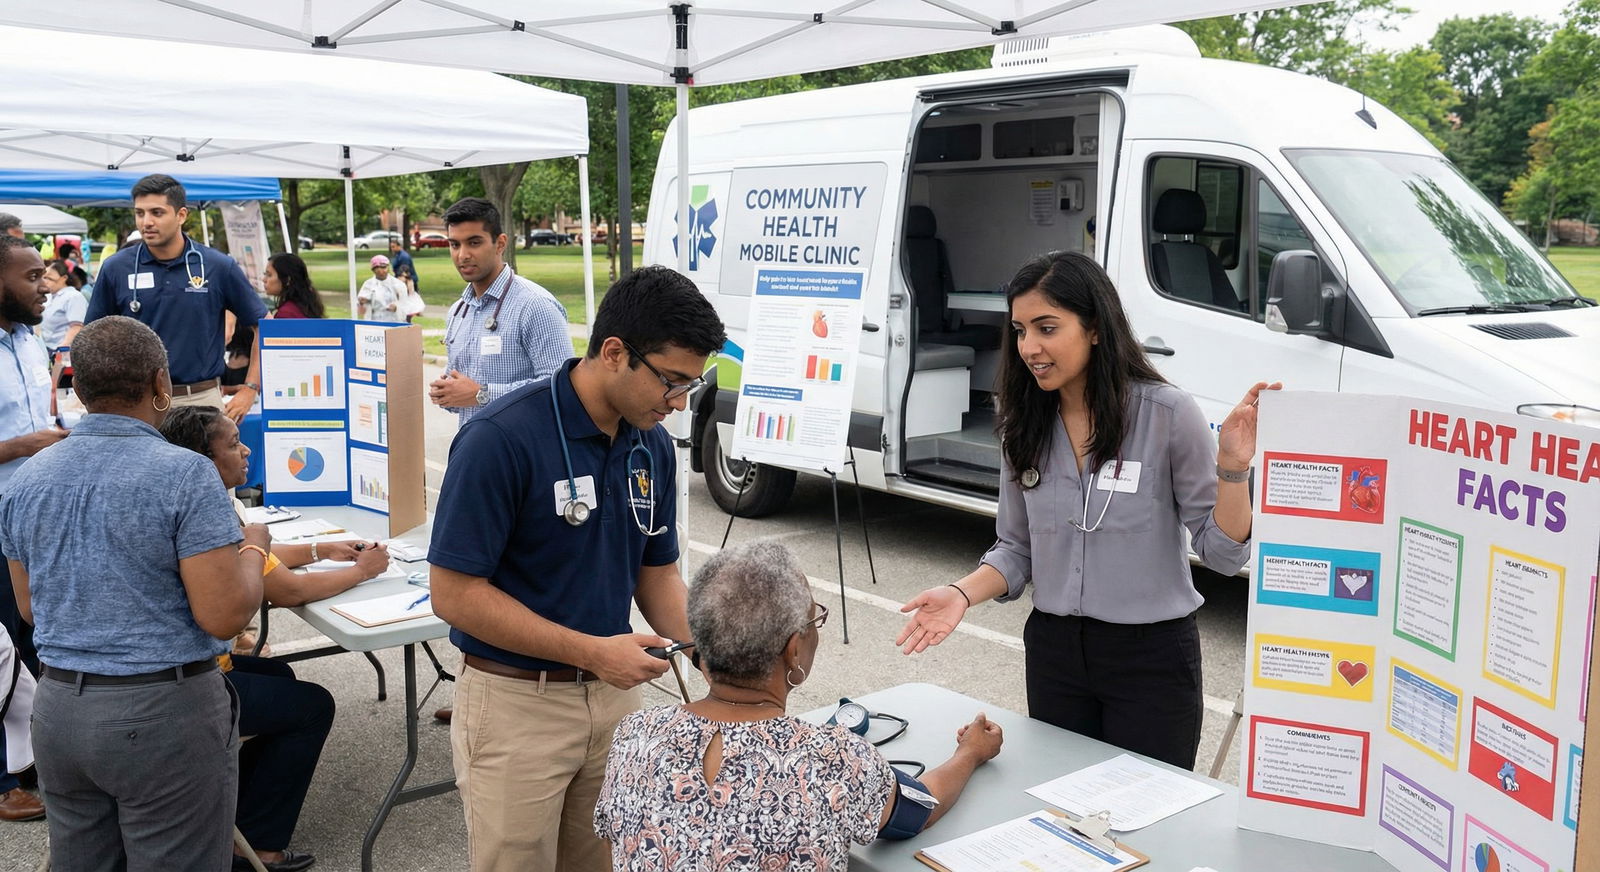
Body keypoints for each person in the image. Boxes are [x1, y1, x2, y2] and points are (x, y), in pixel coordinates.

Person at [897, 251, 1275, 770]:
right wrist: (962, 594)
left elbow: (1223, 553)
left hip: (1151, 659)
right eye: (1020, 330)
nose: (1029, 347)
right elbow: (1015, 547)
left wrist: (1232, 468)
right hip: (1055, 654)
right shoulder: (1021, 424)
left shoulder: (1166, 414)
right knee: (1061, 813)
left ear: (1095, 327)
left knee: (1146, 819)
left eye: (1047, 328)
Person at [429, 265, 725, 871]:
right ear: (614, 353)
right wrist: (592, 652)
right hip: (517, 706)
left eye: (689, 388)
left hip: (613, 701)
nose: (677, 404)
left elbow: (657, 573)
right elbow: (454, 594)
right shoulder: (500, 437)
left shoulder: (652, 443)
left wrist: (712, 654)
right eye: (671, 382)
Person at [0, 315, 265, 870]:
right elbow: (223, 615)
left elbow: (29, 607)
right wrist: (253, 550)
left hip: (60, 712)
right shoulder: (186, 473)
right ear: (161, 385)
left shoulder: (24, 480)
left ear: (78, 390)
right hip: (161, 712)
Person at [595, 539, 1004, 870]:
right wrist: (969, 753)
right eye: (814, 621)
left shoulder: (636, 736)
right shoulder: (834, 757)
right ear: (794, 650)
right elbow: (918, 809)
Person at [162, 405, 392, 872]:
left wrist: (319, 548)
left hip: (180, 671)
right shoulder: (208, 510)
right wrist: (359, 570)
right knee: (312, 705)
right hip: (189, 683)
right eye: (232, 443)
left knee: (278, 673)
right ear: (203, 459)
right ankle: (259, 844)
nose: (246, 448)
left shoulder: (196, 500)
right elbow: (290, 590)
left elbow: (257, 549)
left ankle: (238, 811)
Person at [86, 173, 268, 421]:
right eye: (140, 213)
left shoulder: (217, 266)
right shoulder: (116, 268)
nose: (146, 222)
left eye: (157, 213)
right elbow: (94, 336)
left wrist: (250, 388)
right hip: (137, 403)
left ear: (181, 215)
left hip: (201, 399)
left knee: (204, 462)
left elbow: (266, 325)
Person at [0, 236, 57, 823]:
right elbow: (23, 436)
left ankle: (37, 757)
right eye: (31, 276)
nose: (45, 285)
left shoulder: (29, 340)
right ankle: (2, 780)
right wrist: (20, 446)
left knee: (32, 632)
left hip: (34, 508)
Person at [430, 197, 572, 425]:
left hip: (524, 452)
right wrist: (447, 393)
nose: (462, 255)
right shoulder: (458, 312)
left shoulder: (535, 305)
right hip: (472, 447)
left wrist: (480, 394)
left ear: (500, 244)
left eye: (474, 243)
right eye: (455, 244)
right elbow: (464, 395)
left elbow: (562, 390)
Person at [40, 259, 88, 349]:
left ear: (64, 278)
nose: (45, 281)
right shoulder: (49, 296)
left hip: (62, 351)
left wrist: (61, 348)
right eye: (44, 278)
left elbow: (76, 327)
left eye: (49, 278)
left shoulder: (74, 297)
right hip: (46, 348)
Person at [263, 253, 325, 319]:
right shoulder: (307, 306)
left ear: (287, 280)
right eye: (265, 274)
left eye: (269, 275)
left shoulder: (286, 313)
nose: (264, 279)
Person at [357, 255, 407, 323]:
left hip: (394, 322)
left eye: (383, 267)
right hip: (374, 322)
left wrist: (396, 307)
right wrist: (361, 303)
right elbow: (361, 310)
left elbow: (405, 304)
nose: (381, 271)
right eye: (377, 269)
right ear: (373, 270)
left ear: (388, 268)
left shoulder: (398, 284)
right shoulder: (368, 284)